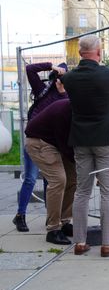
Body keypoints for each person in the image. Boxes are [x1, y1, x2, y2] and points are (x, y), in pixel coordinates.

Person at [61, 35, 109, 257]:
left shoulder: (69, 78)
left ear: (80, 53)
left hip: (81, 140)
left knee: (82, 191)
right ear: (99, 52)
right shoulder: (108, 74)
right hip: (105, 140)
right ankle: (108, 244)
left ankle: (80, 243)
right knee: (108, 192)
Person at [13, 62, 68, 232]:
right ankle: (20, 215)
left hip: (51, 145)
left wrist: (63, 92)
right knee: (30, 178)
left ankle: (50, 218)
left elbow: (66, 113)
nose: (60, 80)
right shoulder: (42, 90)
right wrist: (51, 66)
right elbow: (30, 69)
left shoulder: (65, 96)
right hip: (35, 141)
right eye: (59, 76)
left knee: (50, 181)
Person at [24, 96, 76, 245]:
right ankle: (53, 230)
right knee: (58, 180)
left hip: (57, 143)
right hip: (39, 142)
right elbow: (64, 144)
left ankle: (64, 222)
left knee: (73, 179)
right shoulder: (64, 111)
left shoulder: (83, 109)